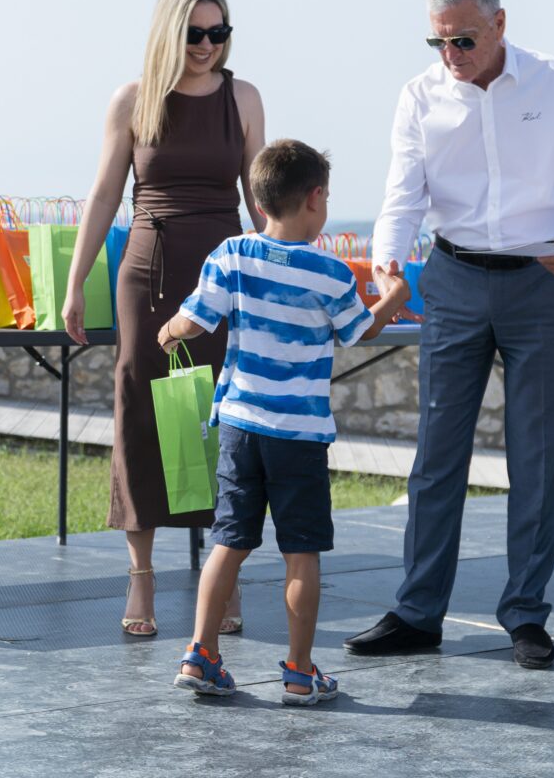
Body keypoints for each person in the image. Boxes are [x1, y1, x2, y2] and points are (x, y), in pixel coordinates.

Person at [343, 0, 554, 669]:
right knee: (437, 455)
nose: (451, 55)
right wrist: (386, 266)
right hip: (454, 280)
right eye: (437, 41)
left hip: (542, 283)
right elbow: (402, 197)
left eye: (463, 39)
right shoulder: (419, 96)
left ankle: (525, 614)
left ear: (499, 23)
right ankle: (417, 613)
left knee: (538, 457)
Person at [157, 139, 410, 703]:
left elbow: (195, 321)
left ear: (259, 200)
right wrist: (394, 297)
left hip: (241, 426)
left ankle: (200, 656)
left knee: (228, 542)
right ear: (316, 198)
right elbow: (359, 331)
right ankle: (298, 672)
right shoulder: (331, 273)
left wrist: (168, 330)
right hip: (298, 436)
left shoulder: (232, 254)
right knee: (301, 553)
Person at [62, 0, 265, 636]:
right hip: (147, 275)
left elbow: (260, 199)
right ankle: (141, 576)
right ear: (169, 32)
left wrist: (286, 272)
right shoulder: (133, 99)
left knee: (223, 418)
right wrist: (75, 283)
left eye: (218, 32)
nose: (206, 45)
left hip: (224, 277)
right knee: (143, 414)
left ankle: (223, 575)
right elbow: (102, 196)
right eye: (194, 33)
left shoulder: (243, 97)